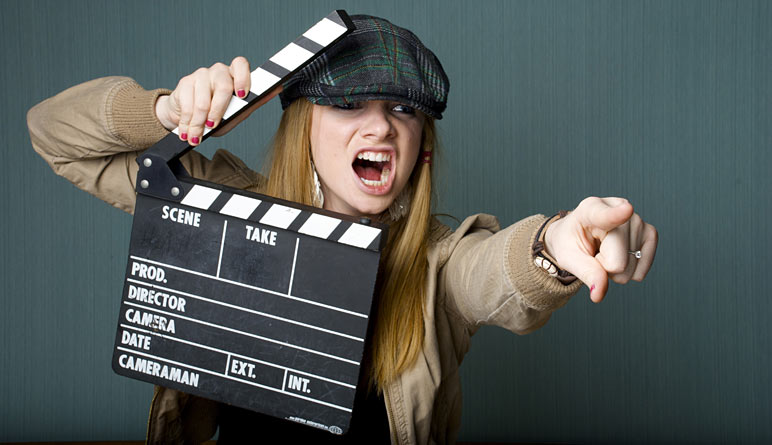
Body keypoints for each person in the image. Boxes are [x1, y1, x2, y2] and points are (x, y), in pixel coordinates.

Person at [27, 14, 657, 445]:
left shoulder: (438, 262)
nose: (381, 127)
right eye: (349, 104)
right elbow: (53, 134)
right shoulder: (222, 207)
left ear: (421, 149)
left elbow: (493, 272)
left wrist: (554, 247)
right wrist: (165, 112)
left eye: (403, 110)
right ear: (305, 127)